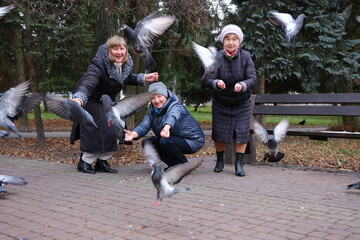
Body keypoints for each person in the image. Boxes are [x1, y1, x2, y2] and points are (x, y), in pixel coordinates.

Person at [70, 35, 158, 174]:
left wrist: (143, 78)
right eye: (115, 49)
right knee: (97, 128)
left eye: (121, 49)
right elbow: (89, 82)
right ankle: (85, 162)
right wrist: (80, 98)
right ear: (109, 51)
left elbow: (124, 77)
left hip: (106, 100)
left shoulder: (126, 63)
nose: (119, 52)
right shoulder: (98, 63)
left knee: (117, 127)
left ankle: (102, 161)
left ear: (125, 50)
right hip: (90, 98)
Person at [202, 24, 257, 177]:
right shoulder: (217, 57)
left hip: (242, 102)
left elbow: (252, 78)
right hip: (221, 102)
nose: (231, 42)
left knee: (242, 131)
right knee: (219, 132)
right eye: (227, 39)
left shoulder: (245, 56)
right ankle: (220, 160)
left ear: (239, 42)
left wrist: (243, 85)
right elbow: (208, 78)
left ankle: (239, 164)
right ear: (223, 41)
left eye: (234, 39)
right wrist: (216, 83)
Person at [124, 82, 205, 168]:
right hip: (171, 138)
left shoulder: (175, 105)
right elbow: (144, 126)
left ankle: (183, 165)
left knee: (165, 141)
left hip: (193, 140)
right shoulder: (152, 111)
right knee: (148, 142)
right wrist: (133, 134)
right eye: (153, 98)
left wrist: (167, 127)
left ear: (165, 95)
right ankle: (173, 166)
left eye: (159, 96)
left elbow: (173, 116)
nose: (157, 100)